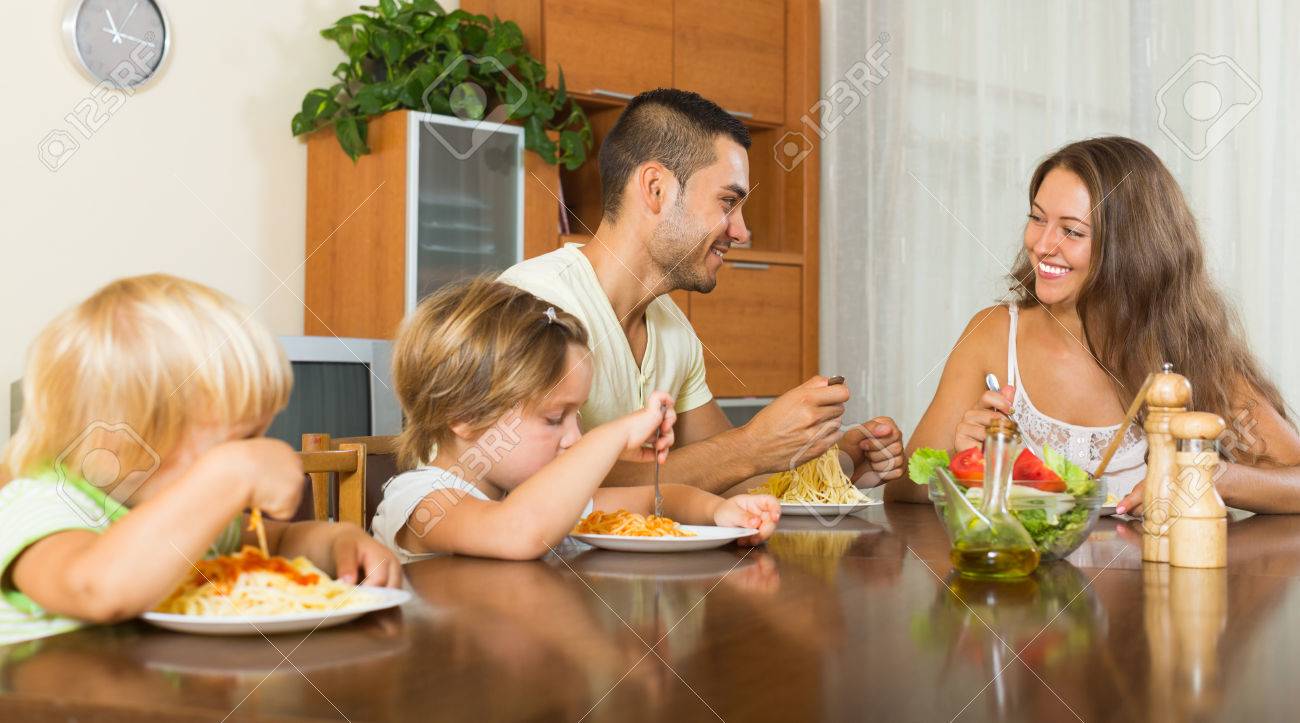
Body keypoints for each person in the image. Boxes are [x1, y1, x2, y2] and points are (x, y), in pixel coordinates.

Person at [499, 88, 904, 495]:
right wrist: (752, 444)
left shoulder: (673, 328)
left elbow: (730, 479)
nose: (742, 232)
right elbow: (544, 486)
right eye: (728, 202)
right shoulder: (534, 303)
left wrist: (838, 462)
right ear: (656, 188)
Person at [889, 136, 1300, 513]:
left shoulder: (1189, 352)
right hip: (1030, 589)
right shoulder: (994, 335)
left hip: (1151, 591)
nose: (1042, 244)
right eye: (1037, 218)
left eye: (1072, 231)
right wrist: (967, 466)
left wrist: (1215, 477)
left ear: (1132, 248)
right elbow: (904, 490)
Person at [0, 274, 401, 646]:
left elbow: (277, 543)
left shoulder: (196, 520)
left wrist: (337, 542)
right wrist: (231, 474)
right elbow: (97, 589)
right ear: (126, 439)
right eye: (240, 441)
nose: (256, 451)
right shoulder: (41, 507)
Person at [368, 278, 781, 562]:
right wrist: (611, 437)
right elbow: (519, 532)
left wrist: (721, 514)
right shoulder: (423, 500)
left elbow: (662, 498)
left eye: (578, 416)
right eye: (554, 418)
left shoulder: (534, 493)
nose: (573, 437)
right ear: (465, 415)